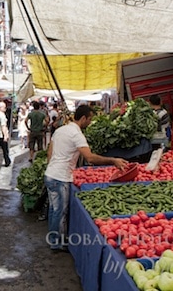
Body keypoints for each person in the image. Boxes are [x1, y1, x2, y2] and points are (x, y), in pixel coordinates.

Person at [45, 105, 127, 252]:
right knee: (60, 211)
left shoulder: (60, 130)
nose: (90, 123)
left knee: (53, 209)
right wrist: (113, 160)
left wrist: (52, 167)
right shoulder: (77, 135)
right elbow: (90, 158)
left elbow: (50, 152)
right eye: (89, 119)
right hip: (60, 177)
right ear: (83, 118)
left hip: (50, 174)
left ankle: (53, 238)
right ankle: (56, 243)